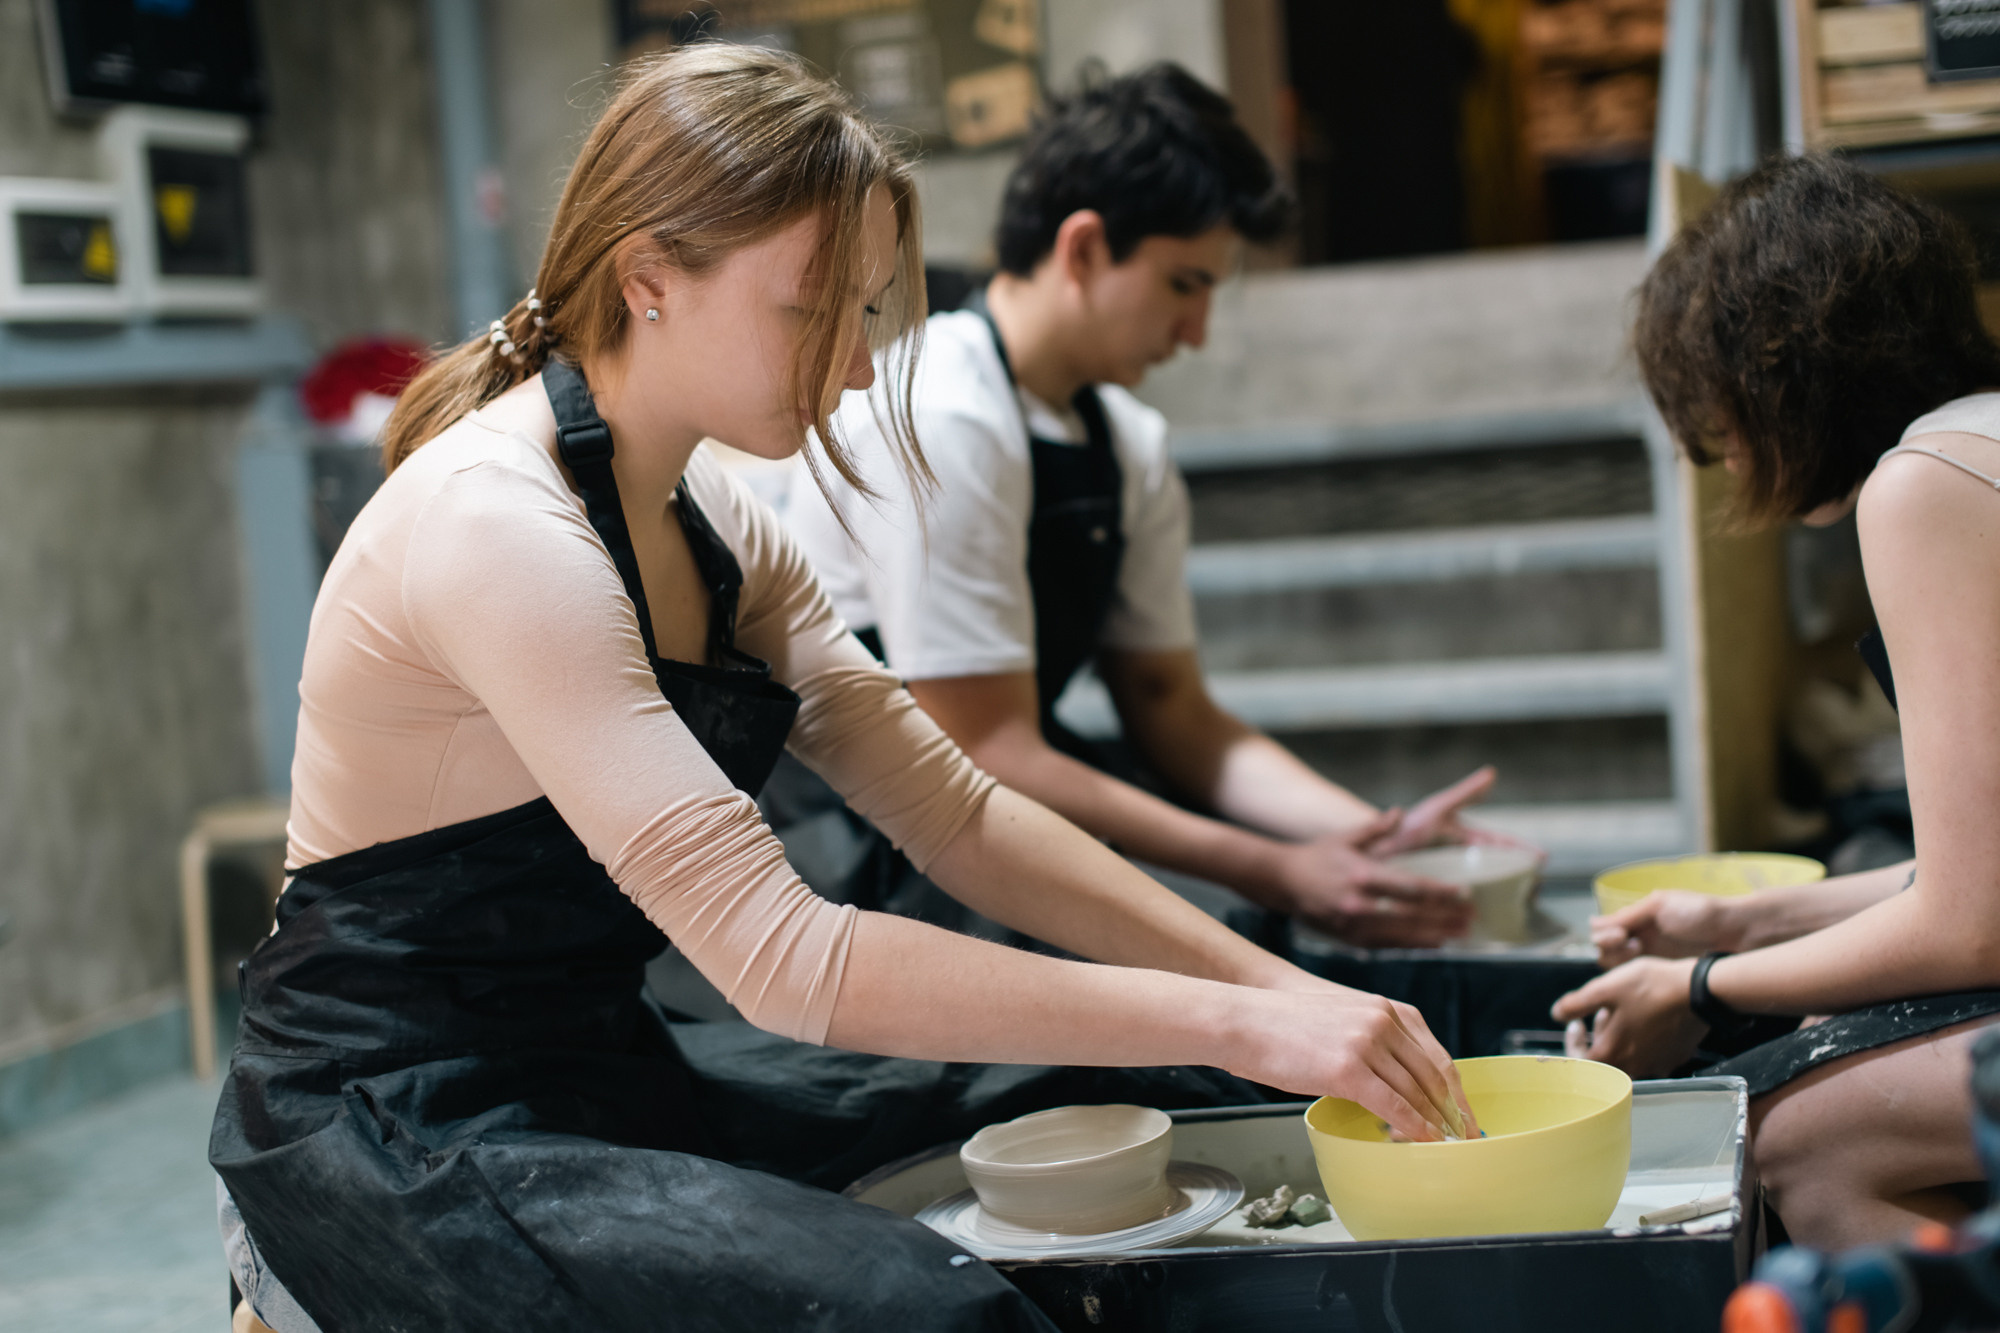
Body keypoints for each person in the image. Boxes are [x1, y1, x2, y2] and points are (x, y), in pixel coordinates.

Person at [209, 47, 1475, 1332]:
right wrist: (1246, 1022)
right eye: (816, 310)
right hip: (391, 1123)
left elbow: (958, 814)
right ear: (649, 278)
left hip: (599, 1065)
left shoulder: (715, 521)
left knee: (1099, 1091)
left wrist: (1276, 994)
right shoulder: (498, 525)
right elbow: (786, 960)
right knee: (912, 1309)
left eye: (866, 314)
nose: (859, 367)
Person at [783, 63, 1527, 952]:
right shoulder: (942, 412)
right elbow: (985, 749)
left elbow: (1175, 708)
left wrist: (1368, 835)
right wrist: (1275, 867)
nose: (1199, 331)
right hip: (869, 833)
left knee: (1262, 928)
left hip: (1001, 781)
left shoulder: (1126, 440)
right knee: (1228, 936)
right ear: (1085, 249)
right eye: (1185, 284)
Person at [1551, 152, 2000, 1249]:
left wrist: (1699, 986)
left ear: (1778, 364)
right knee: (1821, 1027)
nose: (1714, 451)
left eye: (1713, 410)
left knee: (1794, 1124)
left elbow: (1967, 920)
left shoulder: (1924, 483)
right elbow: (1979, 865)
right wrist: (1740, 922)